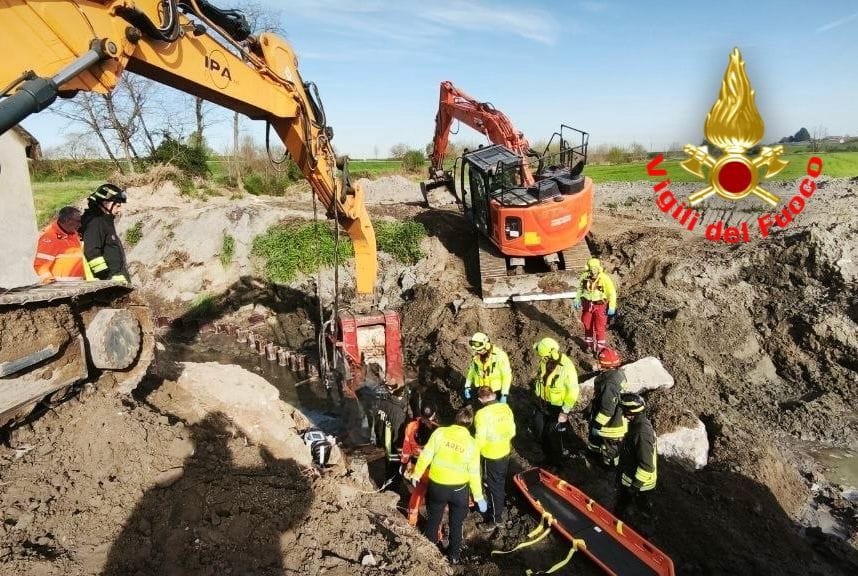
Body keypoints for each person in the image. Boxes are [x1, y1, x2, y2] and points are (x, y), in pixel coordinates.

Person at [412, 406, 485, 565]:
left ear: (455, 419)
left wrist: (417, 474)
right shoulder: (472, 444)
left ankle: (428, 551)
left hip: (437, 486)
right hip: (458, 490)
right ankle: (453, 556)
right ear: (470, 424)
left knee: (433, 519)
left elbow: (426, 455)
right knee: (456, 524)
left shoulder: (440, 433)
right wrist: (478, 496)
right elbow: (474, 473)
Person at [532, 337, 579, 467]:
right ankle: (548, 457)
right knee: (539, 430)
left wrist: (565, 411)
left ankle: (557, 463)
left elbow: (573, 390)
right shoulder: (544, 360)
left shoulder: (566, 367)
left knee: (553, 435)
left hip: (557, 407)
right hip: (542, 403)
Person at [474, 385, 515, 533]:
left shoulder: (481, 414)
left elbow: (480, 439)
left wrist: (472, 452)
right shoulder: (506, 408)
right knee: (500, 481)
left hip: (491, 455)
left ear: (480, 399)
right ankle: (498, 505)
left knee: (492, 486)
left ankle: (496, 518)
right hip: (504, 451)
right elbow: (512, 431)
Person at [615, 393, 657, 519]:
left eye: (624, 411)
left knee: (642, 513)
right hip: (630, 481)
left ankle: (644, 532)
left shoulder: (641, 433)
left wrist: (635, 487)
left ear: (632, 412)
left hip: (639, 486)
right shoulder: (637, 425)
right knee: (621, 507)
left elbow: (647, 466)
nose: (623, 415)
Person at [80, 183, 130, 283]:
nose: (119, 210)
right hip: (108, 285)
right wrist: (108, 278)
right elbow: (92, 252)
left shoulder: (105, 221)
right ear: (106, 203)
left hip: (116, 281)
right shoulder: (95, 222)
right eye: (117, 205)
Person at [400, 403, 439, 526]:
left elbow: (406, 448)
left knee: (417, 492)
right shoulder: (438, 431)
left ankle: (411, 521)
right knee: (435, 502)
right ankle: (437, 531)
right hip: (433, 470)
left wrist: (404, 463)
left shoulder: (411, 426)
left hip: (417, 469)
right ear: (434, 414)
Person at [573, 258, 617, 355]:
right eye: (591, 269)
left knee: (599, 326)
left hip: (600, 305)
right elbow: (580, 289)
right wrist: (577, 299)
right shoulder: (584, 276)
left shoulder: (604, 278)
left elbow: (611, 292)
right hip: (587, 304)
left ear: (599, 268)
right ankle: (589, 344)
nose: (593, 271)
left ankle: (600, 347)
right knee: (587, 323)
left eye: (595, 268)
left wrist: (612, 306)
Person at [587, 369, 628, 467]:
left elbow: (607, 410)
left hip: (610, 427)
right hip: (616, 420)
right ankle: (594, 460)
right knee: (595, 443)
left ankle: (610, 469)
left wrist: (597, 424)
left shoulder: (608, 384)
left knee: (610, 451)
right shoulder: (619, 374)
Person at [33, 206, 85, 281]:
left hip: (76, 287)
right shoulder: (50, 238)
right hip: (61, 288)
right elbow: (40, 265)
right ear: (67, 220)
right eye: (78, 221)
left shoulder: (74, 235)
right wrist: (50, 282)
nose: (80, 225)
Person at [464, 332, 512, 403]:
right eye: (476, 350)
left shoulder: (500, 355)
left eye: (480, 350)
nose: (478, 352)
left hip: (495, 391)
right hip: (482, 390)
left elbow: (506, 375)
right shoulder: (476, 355)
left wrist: (504, 394)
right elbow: (472, 371)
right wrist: (467, 386)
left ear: (487, 345)